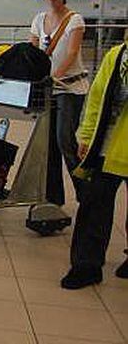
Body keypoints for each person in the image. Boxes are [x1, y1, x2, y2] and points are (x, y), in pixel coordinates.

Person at [62, 36, 128, 289]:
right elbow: (96, 98)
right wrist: (87, 136)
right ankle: (86, 265)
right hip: (107, 146)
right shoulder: (117, 55)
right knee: (93, 204)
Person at [29, 0, 89, 207]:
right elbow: (33, 53)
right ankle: (53, 198)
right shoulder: (38, 19)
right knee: (48, 144)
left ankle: (86, 193)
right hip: (48, 90)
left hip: (70, 88)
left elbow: (72, 53)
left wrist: (54, 77)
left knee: (65, 139)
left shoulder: (75, 20)